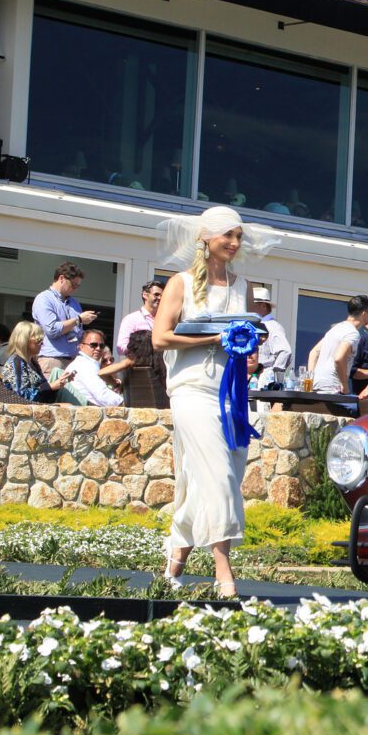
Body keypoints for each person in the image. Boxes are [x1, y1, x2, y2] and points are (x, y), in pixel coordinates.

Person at [152, 205, 280, 597]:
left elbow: (244, 336)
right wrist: (213, 339)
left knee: (205, 474)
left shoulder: (244, 286)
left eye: (239, 236)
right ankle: (223, 571)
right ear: (206, 237)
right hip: (191, 390)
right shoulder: (181, 283)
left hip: (230, 390)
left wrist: (249, 340)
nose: (236, 243)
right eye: (229, 235)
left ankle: (174, 563)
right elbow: (160, 339)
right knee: (219, 475)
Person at [31, 261, 97, 378]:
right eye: (73, 284)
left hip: (73, 361)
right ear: (61, 278)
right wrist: (78, 320)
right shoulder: (44, 299)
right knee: (52, 396)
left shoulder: (74, 303)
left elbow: (78, 332)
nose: (75, 289)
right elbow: (52, 330)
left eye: (78, 286)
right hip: (52, 360)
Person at [308, 295, 368, 394]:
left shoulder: (335, 329)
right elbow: (339, 358)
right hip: (332, 386)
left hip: (317, 383)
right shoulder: (352, 333)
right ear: (364, 313)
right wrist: (345, 384)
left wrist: (310, 380)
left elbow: (313, 353)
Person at [0, 320, 72, 402]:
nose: (42, 344)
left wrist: (59, 383)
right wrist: (51, 386)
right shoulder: (17, 362)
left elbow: (44, 390)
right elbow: (21, 395)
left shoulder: (32, 362)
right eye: (38, 340)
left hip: (38, 408)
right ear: (24, 341)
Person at [65, 330, 124, 407]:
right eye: (93, 345)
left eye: (101, 346)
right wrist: (126, 404)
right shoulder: (83, 365)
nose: (98, 348)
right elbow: (102, 395)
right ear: (81, 346)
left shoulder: (87, 363)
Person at [249, 287, 293, 388]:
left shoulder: (272, 326)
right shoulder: (257, 325)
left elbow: (285, 351)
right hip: (254, 377)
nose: (248, 308)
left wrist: (273, 377)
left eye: (252, 305)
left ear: (263, 306)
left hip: (263, 378)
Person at [116, 280, 163, 357]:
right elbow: (121, 348)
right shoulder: (131, 319)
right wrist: (142, 348)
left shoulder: (164, 320)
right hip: (141, 366)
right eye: (156, 294)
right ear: (145, 295)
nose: (160, 298)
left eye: (162, 296)